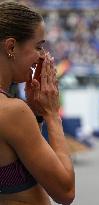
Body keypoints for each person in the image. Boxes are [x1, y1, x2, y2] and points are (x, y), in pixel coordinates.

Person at [0, 1, 75, 205]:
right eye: (39, 46)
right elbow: (65, 191)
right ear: (11, 47)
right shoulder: (11, 111)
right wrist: (52, 114)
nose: (42, 56)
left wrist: (37, 115)